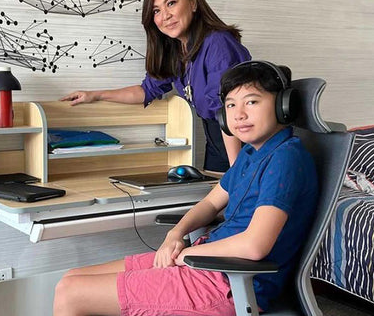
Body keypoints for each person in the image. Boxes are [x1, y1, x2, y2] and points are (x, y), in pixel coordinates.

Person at [53, 61, 319, 316]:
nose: (238, 114)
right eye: (230, 105)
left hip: (229, 284)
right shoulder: (251, 153)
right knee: (72, 277)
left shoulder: (285, 158)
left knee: (71, 292)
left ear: (284, 106)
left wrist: (187, 253)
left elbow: (254, 247)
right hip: (207, 265)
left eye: (251, 101)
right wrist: (175, 234)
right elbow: (211, 204)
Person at [61, 0, 251, 172]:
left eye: (171, 3)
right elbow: (146, 91)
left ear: (193, 3)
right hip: (216, 144)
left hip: (242, 143)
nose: (165, 16)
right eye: (156, 11)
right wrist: (95, 95)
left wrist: (236, 170)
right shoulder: (176, 52)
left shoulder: (218, 43)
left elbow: (228, 110)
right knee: (210, 201)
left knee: (234, 199)